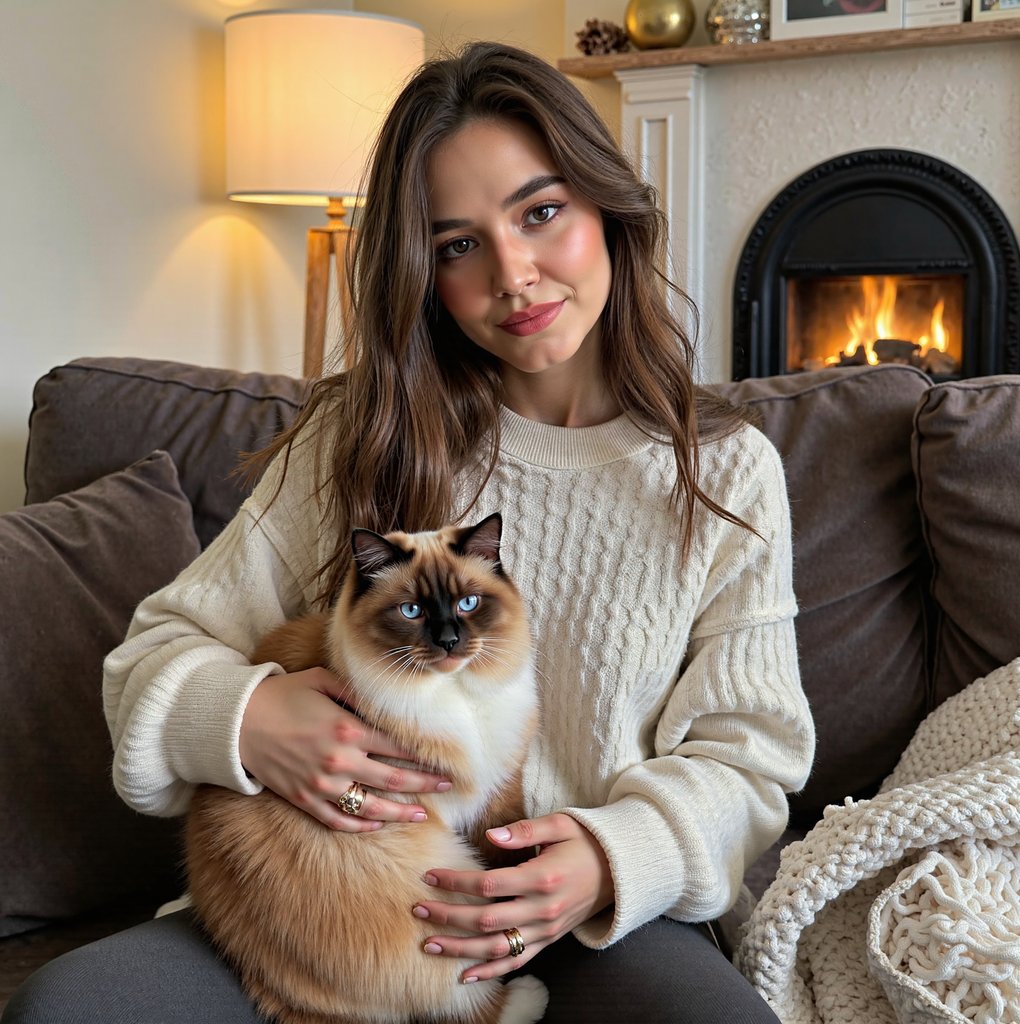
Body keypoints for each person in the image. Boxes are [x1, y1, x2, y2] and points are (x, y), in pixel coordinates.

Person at [3, 41, 814, 1024]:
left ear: (608, 209)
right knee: (70, 1008)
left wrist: (613, 858)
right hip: (334, 908)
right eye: (458, 245)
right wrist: (251, 719)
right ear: (423, 272)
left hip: (601, 922)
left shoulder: (723, 471)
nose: (514, 274)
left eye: (541, 213)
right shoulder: (362, 434)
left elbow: (751, 759)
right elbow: (149, 660)